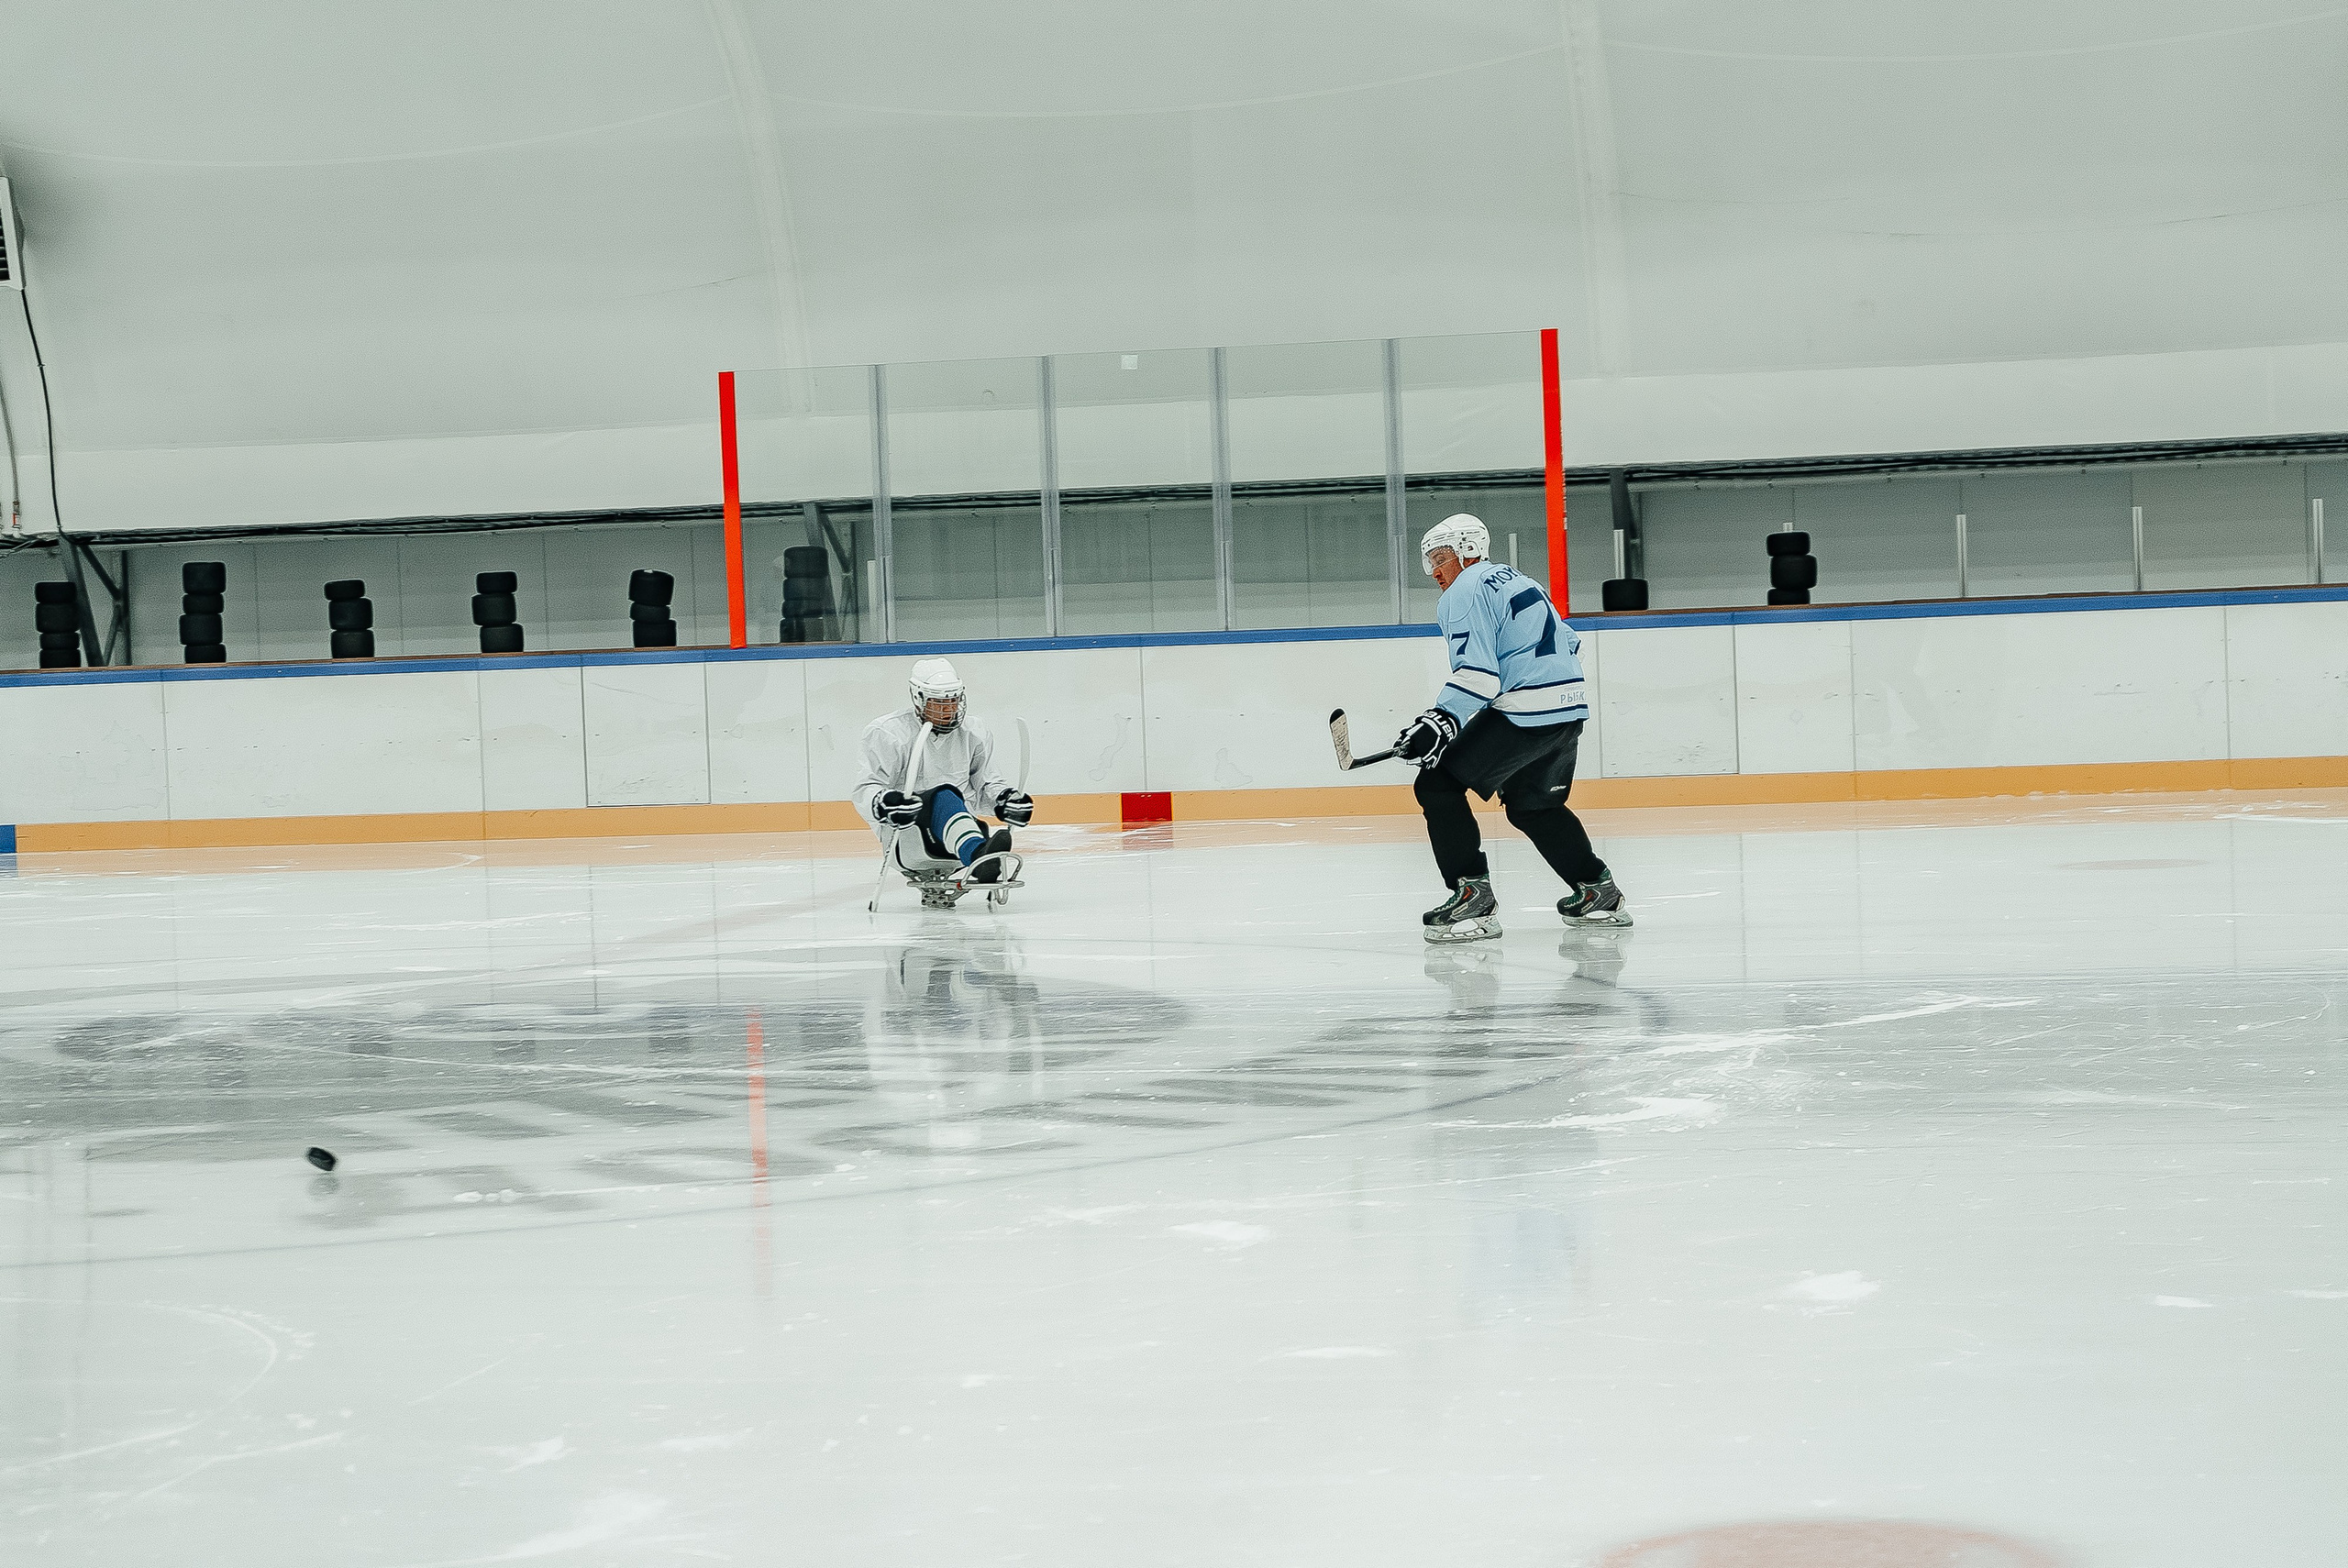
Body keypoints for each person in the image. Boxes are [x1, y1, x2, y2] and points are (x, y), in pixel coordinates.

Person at [1394, 513, 1630, 943]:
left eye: (1441, 558)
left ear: (1467, 550)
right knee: (1532, 805)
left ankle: (1472, 898)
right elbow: (1571, 642)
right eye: (1430, 562)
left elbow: (1479, 675)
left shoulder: (1463, 591)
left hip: (1525, 711)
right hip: (1568, 707)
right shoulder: (1520, 580)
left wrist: (1440, 721)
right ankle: (1597, 890)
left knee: (1436, 784)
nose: (1435, 572)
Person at [853, 657, 1033, 884]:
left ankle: (978, 853)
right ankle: (978, 856)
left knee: (955, 804)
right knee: (944, 796)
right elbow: (865, 788)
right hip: (909, 838)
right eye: (939, 703)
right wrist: (885, 802)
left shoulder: (974, 732)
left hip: (961, 836)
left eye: (953, 701)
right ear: (919, 698)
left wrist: (1004, 801)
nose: (948, 710)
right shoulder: (888, 733)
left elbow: (985, 786)